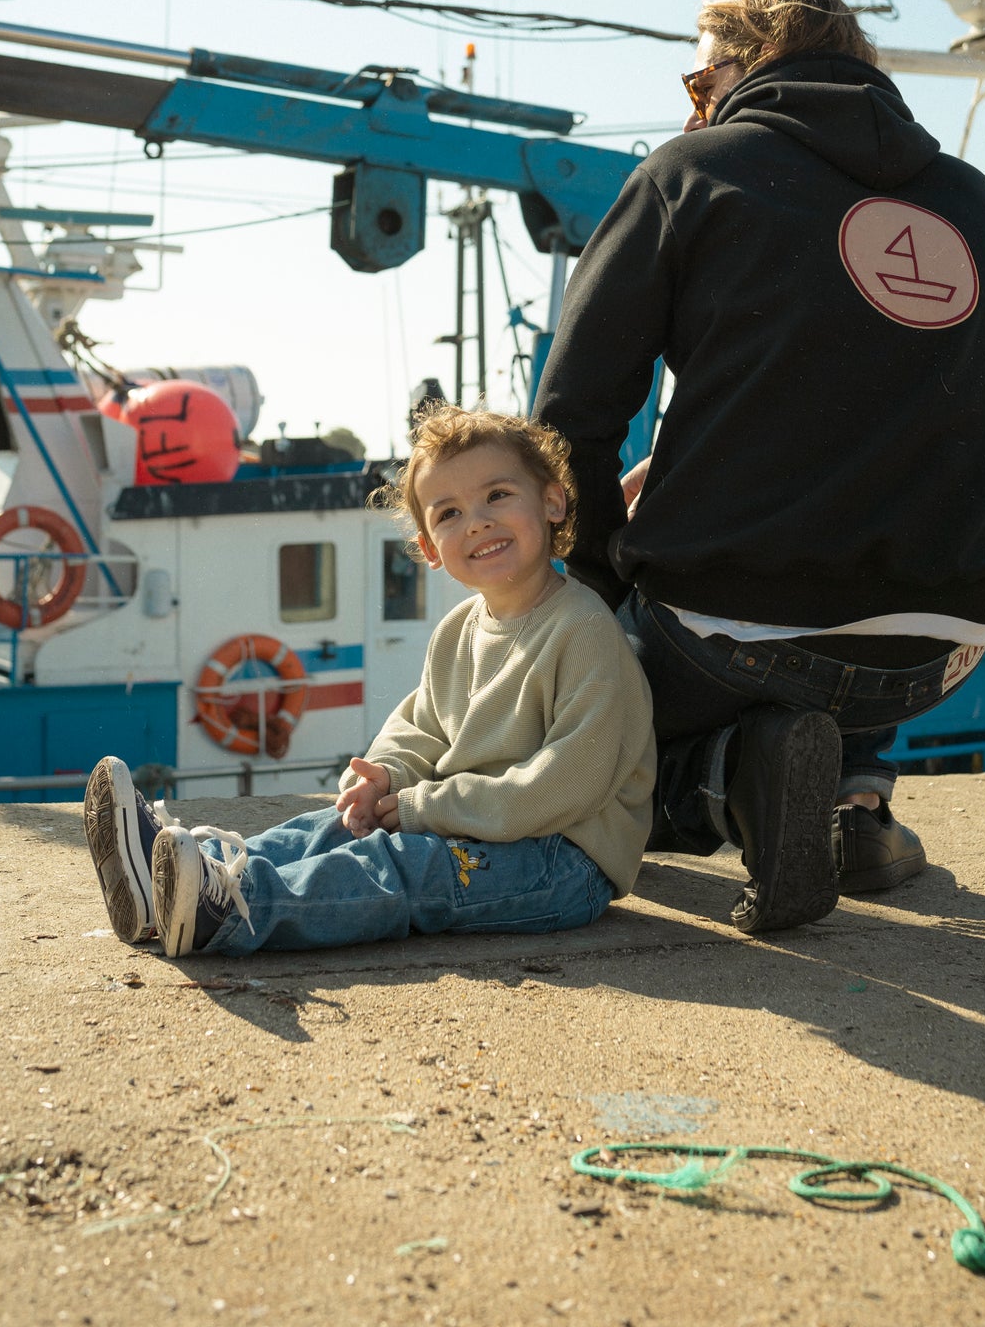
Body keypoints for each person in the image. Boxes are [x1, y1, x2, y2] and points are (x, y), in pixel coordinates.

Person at [534, 0, 985, 935]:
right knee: (853, 600)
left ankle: (733, 788)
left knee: (580, 738)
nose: (692, 109)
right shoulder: (969, 199)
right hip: (943, 642)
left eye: (694, 86)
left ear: (739, 67)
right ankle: (857, 799)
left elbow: (571, 418)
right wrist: (692, 473)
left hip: (734, 633)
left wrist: (599, 589)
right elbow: (916, 413)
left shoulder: (690, 174)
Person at [83, 407, 655, 959]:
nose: (477, 521)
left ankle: (235, 907)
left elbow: (562, 787)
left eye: (498, 495)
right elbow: (423, 729)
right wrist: (386, 778)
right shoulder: (458, 630)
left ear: (552, 500)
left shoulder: (583, 631)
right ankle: (186, 875)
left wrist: (419, 807)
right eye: (448, 513)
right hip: (479, 828)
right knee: (332, 828)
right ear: (430, 549)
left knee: (406, 869)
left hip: (563, 861)